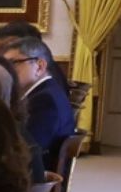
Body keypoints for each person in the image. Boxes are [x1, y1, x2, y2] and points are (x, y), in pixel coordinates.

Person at [8, 37, 75, 175]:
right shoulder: (46, 91)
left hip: (34, 178)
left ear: (39, 66)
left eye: (13, 63)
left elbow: (27, 149)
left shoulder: (45, 100)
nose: (7, 70)